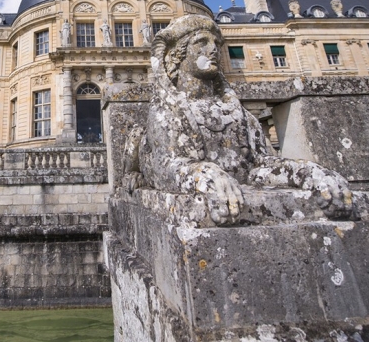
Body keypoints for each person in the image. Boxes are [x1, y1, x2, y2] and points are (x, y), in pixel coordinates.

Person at [134, 15, 352, 225]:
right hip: (180, 169)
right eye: (201, 42)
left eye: (216, 43)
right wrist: (206, 175)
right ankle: (133, 172)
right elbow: (168, 167)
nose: (213, 50)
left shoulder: (238, 113)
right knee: (136, 135)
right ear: (176, 55)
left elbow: (259, 165)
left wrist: (308, 172)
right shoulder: (166, 110)